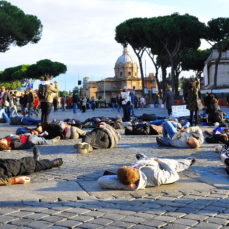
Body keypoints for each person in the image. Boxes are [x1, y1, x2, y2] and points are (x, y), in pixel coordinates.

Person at [98, 153, 195, 190]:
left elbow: (101, 180)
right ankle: (189, 161)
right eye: (128, 167)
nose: (126, 166)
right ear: (134, 171)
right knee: (174, 163)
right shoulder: (156, 175)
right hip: (158, 165)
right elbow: (174, 175)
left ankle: (143, 157)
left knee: (140, 160)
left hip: (142, 162)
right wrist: (161, 162)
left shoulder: (127, 178)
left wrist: (124, 183)